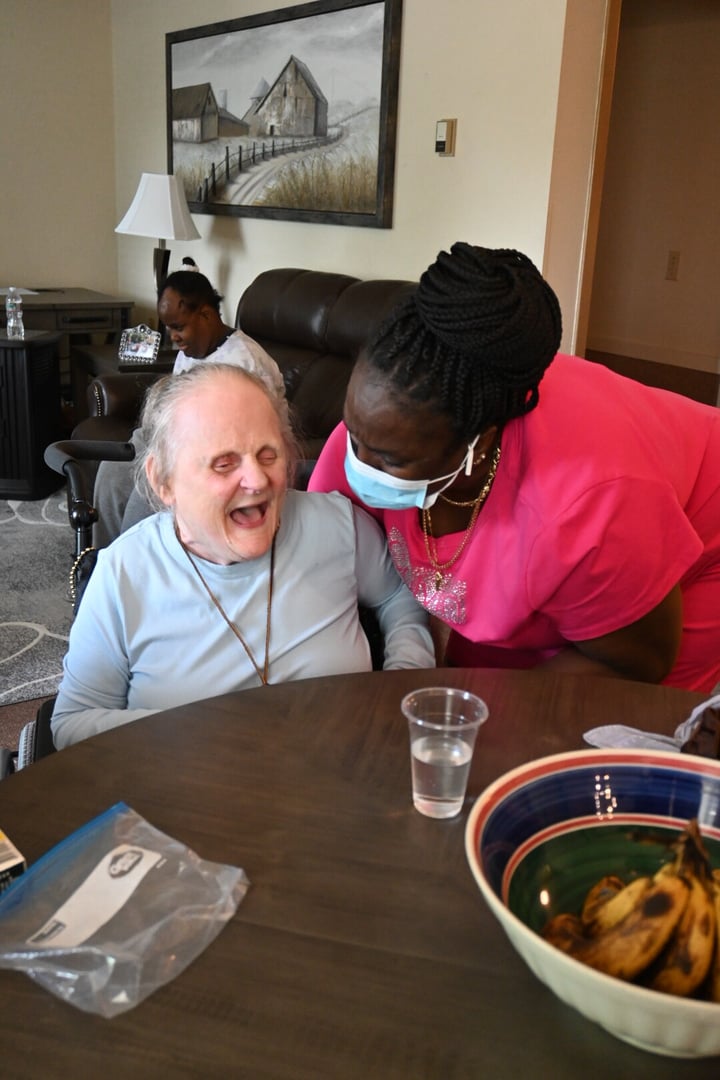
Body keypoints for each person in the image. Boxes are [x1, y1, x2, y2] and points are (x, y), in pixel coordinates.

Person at [308, 242, 720, 694]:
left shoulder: (585, 508)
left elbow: (637, 664)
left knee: (587, 720)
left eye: (390, 460)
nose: (358, 466)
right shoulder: (385, 422)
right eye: (355, 436)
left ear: (477, 445)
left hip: (698, 541)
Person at [51, 363, 435, 748]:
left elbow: (396, 597)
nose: (258, 480)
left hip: (340, 775)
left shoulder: (338, 527)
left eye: (269, 455)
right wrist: (208, 728)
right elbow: (72, 722)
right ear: (163, 481)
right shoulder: (124, 574)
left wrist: (401, 683)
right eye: (224, 463)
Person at [93, 270, 283, 546]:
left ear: (206, 315)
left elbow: (248, 435)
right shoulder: (191, 352)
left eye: (179, 327)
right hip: (175, 438)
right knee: (113, 469)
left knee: (147, 489)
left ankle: (133, 565)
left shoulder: (244, 362)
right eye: (169, 328)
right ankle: (102, 558)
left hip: (215, 450)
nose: (174, 338)